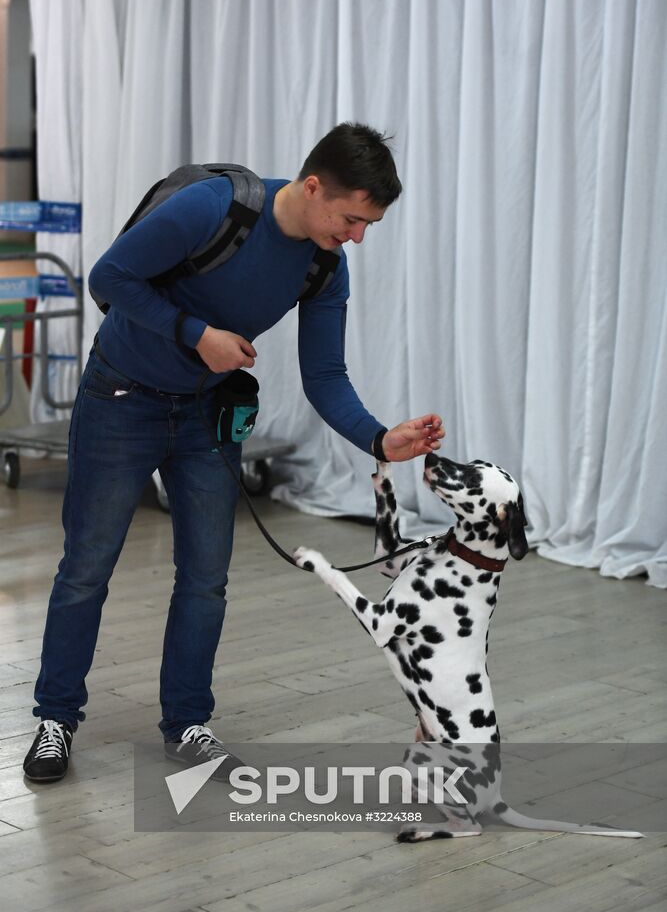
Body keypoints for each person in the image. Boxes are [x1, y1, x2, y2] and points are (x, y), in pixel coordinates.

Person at [23, 122, 445, 783]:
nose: (357, 235)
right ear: (312, 187)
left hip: (204, 417)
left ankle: (187, 725)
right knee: (86, 569)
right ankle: (55, 719)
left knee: (206, 579)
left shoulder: (321, 263)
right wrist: (196, 334)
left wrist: (377, 438)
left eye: (367, 224)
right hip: (120, 400)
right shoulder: (215, 208)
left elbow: (324, 376)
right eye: (352, 218)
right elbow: (110, 277)